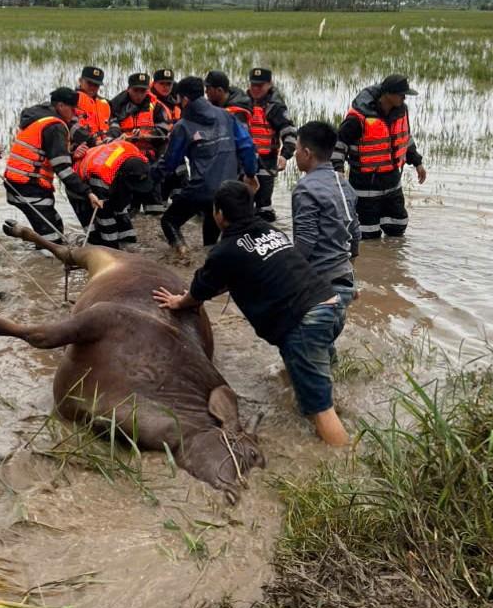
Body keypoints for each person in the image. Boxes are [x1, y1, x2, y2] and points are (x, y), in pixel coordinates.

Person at [152, 180, 349, 446]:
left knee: (320, 410)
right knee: (311, 378)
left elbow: (201, 288)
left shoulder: (225, 251)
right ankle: (338, 407)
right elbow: (242, 273)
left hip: (306, 322)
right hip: (331, 305)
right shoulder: (272, 231)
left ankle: (345, 462)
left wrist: (179, 302)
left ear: (219, 214)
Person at [156, 76, 259, 252]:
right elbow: (247, 145)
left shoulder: (182, 126)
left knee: (169, 221)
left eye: (179, 99)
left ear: (185, 99)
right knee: (210, 240)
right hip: (226, 190)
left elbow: (170, 163)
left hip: (200, 189)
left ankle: (182, 254)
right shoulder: (226, 115)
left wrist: (150, 176)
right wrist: (250, 173)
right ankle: (208, 261)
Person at [332, 74, 426, 239]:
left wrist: (417, 163)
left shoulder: (401, 112)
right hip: (365, 185)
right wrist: (338, 170)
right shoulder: (358, 118)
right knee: (367, 235)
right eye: (401, 94)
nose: (404, 98)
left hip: (392, 182)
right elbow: (339, 144)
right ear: (388, 94)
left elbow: (405, 139)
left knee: (398, 227)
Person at [4, 88, 102, 243]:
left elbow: (46, 155)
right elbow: (63, 170)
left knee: (56, 226)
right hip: (29, 188)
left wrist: (70, 155)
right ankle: (44, 263)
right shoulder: (55, 126)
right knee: (52, 240)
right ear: (61, 106)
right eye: (72, 108)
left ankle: (28, 239)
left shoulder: (41, 119)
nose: (75, 113)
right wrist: (88, 192)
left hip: (18, 185)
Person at [292, 121, 360, 338]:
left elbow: (305, 242)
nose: (294, 154)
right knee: (325, 350)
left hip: (321, 289)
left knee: (307, 358)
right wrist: (351, 275)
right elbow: (355, 234)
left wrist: (286, 278)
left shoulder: (305, 189)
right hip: (345, 283)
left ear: (307, 153)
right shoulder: (343, 184)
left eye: (296, 149)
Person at [108, 72, 173, 213]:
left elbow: (163, 131)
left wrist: (143, 136)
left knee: (154, 208)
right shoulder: (116, 106)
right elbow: (112, 128)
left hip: (149, 158)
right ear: (128, 89)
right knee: (126, 206)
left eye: (142, 91)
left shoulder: (157, 107)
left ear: (147, 91)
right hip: (125, 160)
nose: (139, 95)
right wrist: (121, 137)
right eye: (135, 90)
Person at [69, 139, 153, 248]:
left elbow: (121, 203)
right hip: (79, 188)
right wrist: (113, 248)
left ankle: (128, 243)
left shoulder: (135, 154)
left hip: (110, 172)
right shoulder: (100, 177)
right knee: (96, 234)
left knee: (122, 217)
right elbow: (104, 215)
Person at [244, 68, 298, 222]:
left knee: (264, 206)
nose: (255, 89)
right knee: (241, 202)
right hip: (244, 161)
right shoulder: (242, 102)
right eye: (253, 85)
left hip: (266, 162)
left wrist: (284, 155)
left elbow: (290, 132)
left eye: (260, 86)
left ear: (269, 84)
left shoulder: (275, 107)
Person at [74, 66, 111, 144]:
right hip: (83, 146)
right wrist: (92, 142)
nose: (92, 87)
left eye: (96, 85)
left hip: (105, 145)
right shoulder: (72, 99)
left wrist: (111, 136)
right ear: (80, 81)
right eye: (89, 83)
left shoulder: (105, 103)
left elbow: (114, 122)